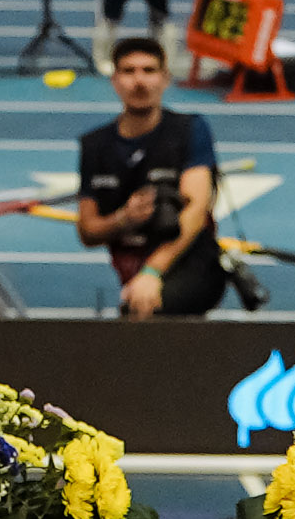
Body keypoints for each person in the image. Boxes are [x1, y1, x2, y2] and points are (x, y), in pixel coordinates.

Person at [73, 35, 222, 318]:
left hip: (190, 261)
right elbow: (88, 231)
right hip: (131, 265)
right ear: (114, 81)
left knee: (146, 310)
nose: (139, 81)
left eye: (149, 70)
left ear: (165, 79)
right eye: (129, 71)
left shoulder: (191, 130)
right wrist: (124, 219)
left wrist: (152, 271)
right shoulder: (94, 145)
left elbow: (196, 212)